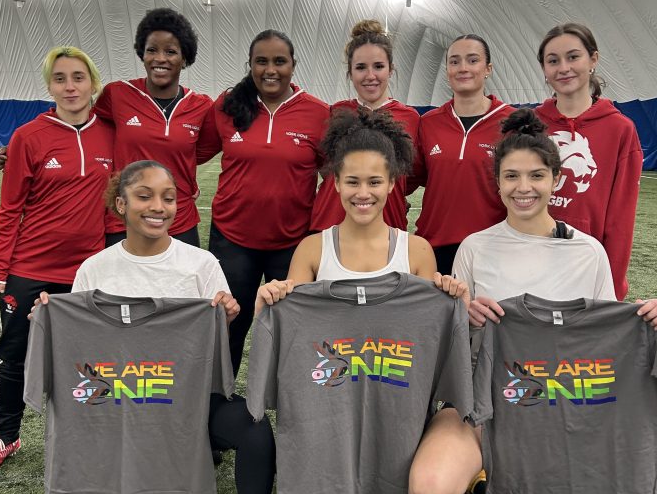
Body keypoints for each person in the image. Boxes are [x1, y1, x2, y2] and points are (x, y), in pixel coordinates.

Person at [407, 109, 657, 494]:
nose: (523, 187)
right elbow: (449, 347)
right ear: (497, 183)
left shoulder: (588, 252)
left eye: (535, 175)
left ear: (556, 180)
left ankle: (492, 485)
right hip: (481, 406)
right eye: (511, 176)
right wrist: (465, 317)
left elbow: (605, 345)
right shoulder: (475, 248)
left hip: (549, 416)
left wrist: (652, 316)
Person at [38, 160, 275, 494]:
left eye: (168, 197)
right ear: (121, 204)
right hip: (120, 402)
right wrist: (49, 321)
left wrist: (225, 315)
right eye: (145, 196)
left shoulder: (201, 264)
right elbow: (80, 351)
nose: (159, 206)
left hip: (188, 403)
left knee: (256, 432)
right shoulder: (95, 268)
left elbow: (212, 348)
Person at [255, 108, 468, 494]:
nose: (363, 193)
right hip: (327, 386)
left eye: (375, 181)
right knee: (316, 444)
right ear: (334, 183)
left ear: (393, 184)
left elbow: (428, 329)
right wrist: (275, 297)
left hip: (392, 381)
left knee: (386, 468)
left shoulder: (417, 251)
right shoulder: (313, 249)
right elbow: (296, 322)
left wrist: (448, 293)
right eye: (352, 181)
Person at [0, 47, 114, 475]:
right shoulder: (28, 136)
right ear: (49, 86)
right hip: (28, 269)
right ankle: (7, 437)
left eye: (78, 77)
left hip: (87, 271)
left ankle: (90, 437)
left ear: (93, 83)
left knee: (90, 357)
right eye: (60, 78)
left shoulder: (111, 135)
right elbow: (10, 206)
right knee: (15, 355)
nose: (69, 86)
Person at [0, 8, 212, 247]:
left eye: (170, 51)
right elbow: (80, 128)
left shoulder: (200, 105)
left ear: (185, 57)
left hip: (179, 221)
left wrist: (188, 182)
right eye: (151, 50)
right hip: (123, 222)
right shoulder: (117, 94)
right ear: (142, 54)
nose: (160, 58)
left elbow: (198, 153)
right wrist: (21, 148)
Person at [198, 30, 329, 374]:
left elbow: (334, 175)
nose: (270, 70)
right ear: (250, 65)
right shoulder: (227, 106)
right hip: (232, 240)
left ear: (293, 65)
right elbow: (191, 153)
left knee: (290, 328)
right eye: (262, 61)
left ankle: (289, 398)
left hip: (292, 243)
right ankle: (219, 397)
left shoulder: (317, 113)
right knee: (228, 323)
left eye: (279, 61)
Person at [534, 22, 643, 299]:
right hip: (528, 258)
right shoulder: (529, 125)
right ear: (544, 69)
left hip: (585, 266)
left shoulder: (620, 129)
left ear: (593, 59)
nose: (564, 68)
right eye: (553, 61)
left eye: (573, 57)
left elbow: (621, 219)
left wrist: (611, 288)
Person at [413, 34, 514, 274]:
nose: (463, 68)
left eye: (472, 60)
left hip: (492, 249)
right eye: (454, 61)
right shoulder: (428, 123)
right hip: (435, 247)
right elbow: (410, 178)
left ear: (488, 69)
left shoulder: (511, 121)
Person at [310, 19, 420, 231]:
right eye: (361, 67)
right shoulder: (334, 113)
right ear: (350, 72)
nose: (370, 76)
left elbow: (413, 174)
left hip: (387, 228)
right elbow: (323, 166)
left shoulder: (411, 118)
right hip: (331, 226)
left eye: (378, 66)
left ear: (390, 69)